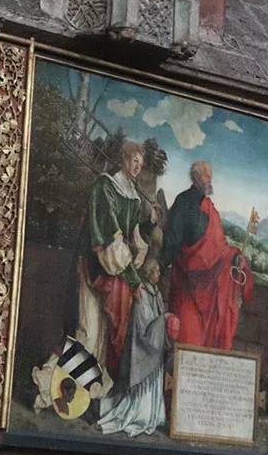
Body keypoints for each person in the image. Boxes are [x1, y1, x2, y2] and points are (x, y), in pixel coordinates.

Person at [77, 140, 157, 385]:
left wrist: (149, 223)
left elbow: (131, 237)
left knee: (103, 335)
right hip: (95, 262)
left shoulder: (132, 196)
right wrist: (133, 279)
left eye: (140, 164)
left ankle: (93, 390)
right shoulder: (105, 185)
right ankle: (74, 387)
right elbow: (111, 238)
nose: (136, 167)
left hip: (111, 269)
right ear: (123, 159)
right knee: (89, 332)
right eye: (133, 161)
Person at [163, 161, 253, 350]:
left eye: (210, 176)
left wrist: (234, 257)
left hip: (209, 285)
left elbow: (219, 247)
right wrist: (160, 265)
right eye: (206, 175)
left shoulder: (210, 208)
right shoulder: (182, 202)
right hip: (186, 284)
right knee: (186, 338)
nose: (210, 179)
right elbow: (172, 240)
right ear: (195, 177)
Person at [98, 257, 179, 438]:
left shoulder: (156, 294)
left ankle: (152, 417)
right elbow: (143, 327)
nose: (159, 274)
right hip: (142, 348)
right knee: (138, 394)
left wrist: (165, 320)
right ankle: (139, 416)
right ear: (149, 273)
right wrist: (163, 319)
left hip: (154, 351)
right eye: (157, 271)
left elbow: (156, 322)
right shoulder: (141, 295)